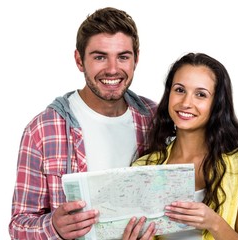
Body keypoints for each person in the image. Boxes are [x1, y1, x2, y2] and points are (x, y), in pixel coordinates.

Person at [9, 7, 158, 240]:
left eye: (123, 57)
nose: (112, 69)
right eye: (99, 57)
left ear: (136, 59)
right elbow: (19, 226)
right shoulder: (42, 130)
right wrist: (54, 227)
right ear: (79, 60)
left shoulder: (155, 118)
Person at [132, 52, 238, 240]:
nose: (186, 103)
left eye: (200, 94)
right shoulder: (144, 168)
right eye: (180, 90)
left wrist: (213, 222)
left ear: (217, 104)